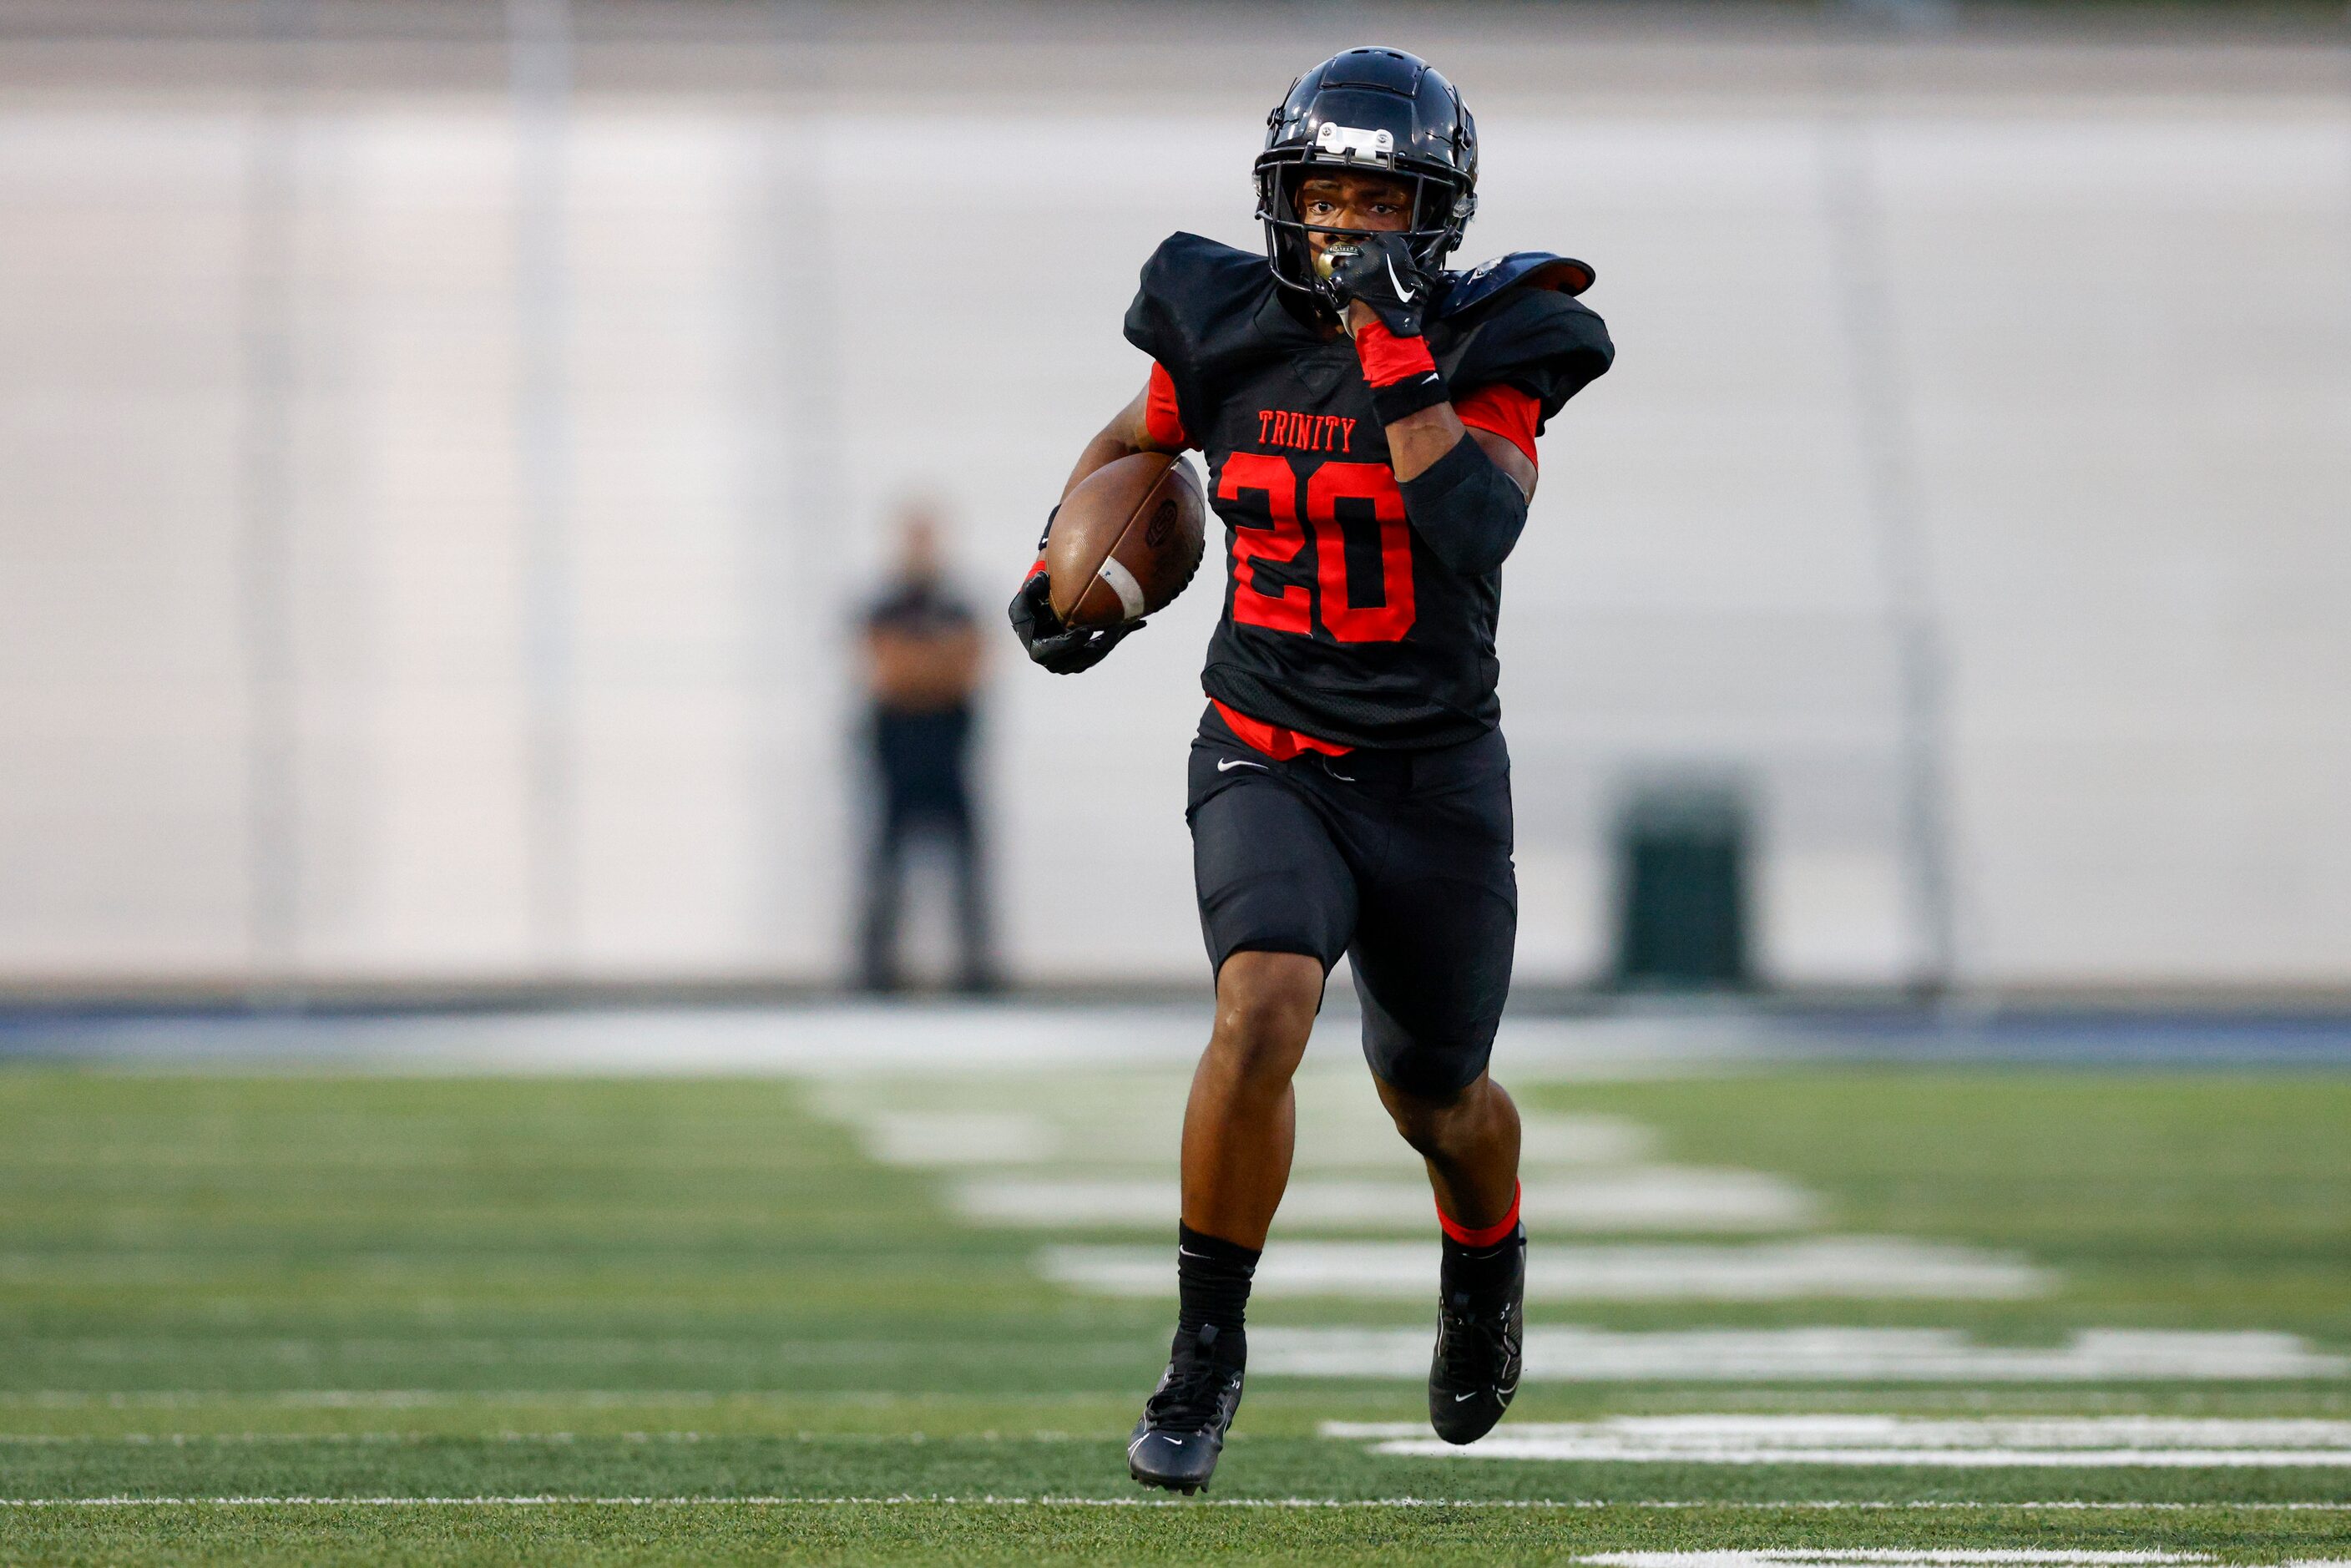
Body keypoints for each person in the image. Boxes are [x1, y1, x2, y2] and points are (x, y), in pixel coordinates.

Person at [1008, 47, 1613, 1492]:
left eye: (1379, 197)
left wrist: (1399, 351)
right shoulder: (1220, 316)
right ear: (1283, 196)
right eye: (1326, 192)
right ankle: (1203, 1352)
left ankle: (1484, 1266)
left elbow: (1472, 526)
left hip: (1432, 774)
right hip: (1267, 740)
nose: (1347, 226)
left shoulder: (1503, 338)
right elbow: (1133, 437)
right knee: (1262, 996)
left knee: (1437, 1092)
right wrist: (1058, 566)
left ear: (1437, 213)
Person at [858, 506, 994, 994]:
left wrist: (922, 668)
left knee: (969, 873)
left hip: (949, 757)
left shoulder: (958, 607)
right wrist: (936, 665)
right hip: (896, 760)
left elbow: (971, 668)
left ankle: (978, 975)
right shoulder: (883, 607)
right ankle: (873, 975)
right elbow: (887, 674)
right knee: (882, 871)